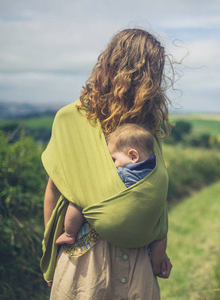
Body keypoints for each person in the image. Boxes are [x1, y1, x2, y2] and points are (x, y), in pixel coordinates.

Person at [41, 28, 173, 299]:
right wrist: (53, 257)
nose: (154, 83)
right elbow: (55, 189)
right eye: (151, 73)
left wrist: (160, 251)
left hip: (138, 265)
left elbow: (151, 195)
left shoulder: (146, 129)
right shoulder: (71, 120)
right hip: (84, 265)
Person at [55, 124, 167, 268]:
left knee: (78, 200)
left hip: (117, 231)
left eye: (113, 159)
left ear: (133, 156)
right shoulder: (155, 171)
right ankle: (156, 266)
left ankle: (69, 235)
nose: (112, 165)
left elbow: (92, 186)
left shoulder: (123, 174)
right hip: (145, 235)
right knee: (161, 234)